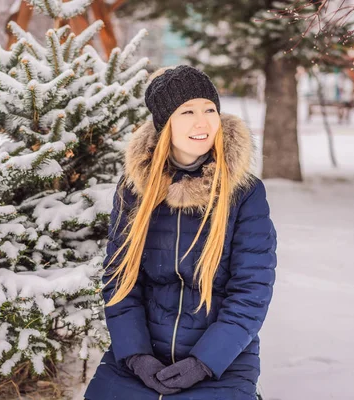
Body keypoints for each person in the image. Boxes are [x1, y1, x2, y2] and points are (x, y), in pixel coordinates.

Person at [84, 65, 277, 400]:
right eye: (187, 111)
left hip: (221, 362)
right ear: (165, 124)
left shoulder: (243, 193)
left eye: (210, 110)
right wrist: (135, 355)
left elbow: (251, 292)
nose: (202, 123)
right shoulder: (135, 191)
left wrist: (203, 363)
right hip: (140, 358)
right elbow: (119, 280)